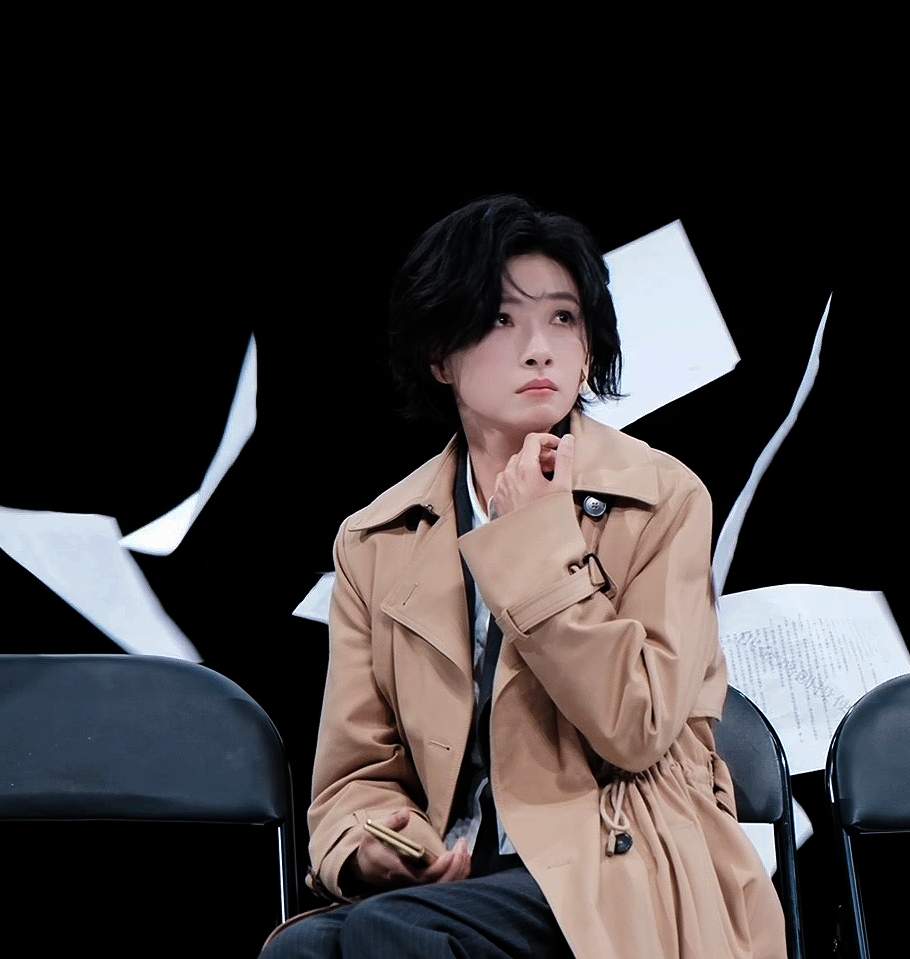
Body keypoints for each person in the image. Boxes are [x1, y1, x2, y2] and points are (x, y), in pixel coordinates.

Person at [263, 195, 785, 958]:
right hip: (461, 875)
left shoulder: (663, 498)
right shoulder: (376, 538)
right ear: (440, 356)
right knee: (302, 949)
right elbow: (357, 770)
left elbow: (635, 728)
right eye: (500, 320)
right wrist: (374, 840)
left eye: (563, 318)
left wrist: (535, 541)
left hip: (624, 862)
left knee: (393, 931)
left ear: (588, 349)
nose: (539, 349)